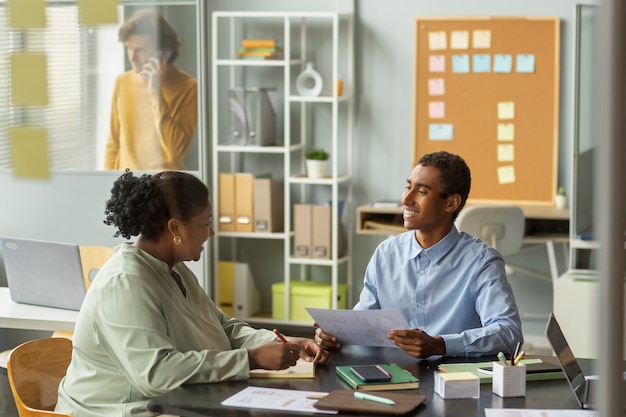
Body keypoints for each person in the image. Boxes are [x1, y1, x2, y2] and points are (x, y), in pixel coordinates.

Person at [56, 170, 328, 417]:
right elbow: (156, 374)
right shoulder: (125, 283)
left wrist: (276, 341)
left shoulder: (172, 269)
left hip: (174, 404)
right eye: (205, 222)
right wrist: (251, 359)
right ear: (175, 228)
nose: (211, 232)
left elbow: (223, 328)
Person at [315, 151, 523, 358]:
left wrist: (441, 345)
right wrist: (336, 335)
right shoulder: (386, 254)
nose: (406, 199)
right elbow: (365, 320)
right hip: (394, 376)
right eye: (408, 187)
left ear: (451, 203)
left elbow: (509, 333)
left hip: (455, 379)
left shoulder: (482, 262)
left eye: (421, 191)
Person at [104, 9, 198, 171]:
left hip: (164, 187)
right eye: (129, 48)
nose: (132, 57)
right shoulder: (122, 82)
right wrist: (105, 184)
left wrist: (155, 92)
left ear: (164, 52)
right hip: (126, 186)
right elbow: (113, 143)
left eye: (140, 50)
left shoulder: (188, 87)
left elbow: (176, 150)